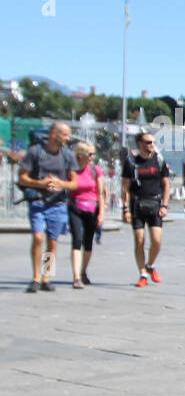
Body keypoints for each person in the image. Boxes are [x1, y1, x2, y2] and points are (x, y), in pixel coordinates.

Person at [17, 122, 76, 292]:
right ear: (53, 133)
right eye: (65, 134)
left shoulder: (67, 155)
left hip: (57, 204)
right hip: (38, 202)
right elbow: (22, 178)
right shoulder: (36, 152)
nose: (68, 138)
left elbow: (74, 183)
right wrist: (40, 183)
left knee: (52, 242)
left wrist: (60, 183)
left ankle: (46, 277)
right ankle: (36, 277)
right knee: (38, 238)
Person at [121, 130, 172, 288]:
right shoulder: (131, 162)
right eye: (149, 142)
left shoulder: (159, 160)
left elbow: (166, 185)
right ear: (140, 144)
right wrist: (125, 209)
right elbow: (125, 187)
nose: (152, 145)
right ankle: (142, 273)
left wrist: (164, 204)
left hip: (155, 204)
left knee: (156, 241)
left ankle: (150, 265)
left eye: (153, 142)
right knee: (139, 241)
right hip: (137, 205)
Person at [67, 142, 107, 288]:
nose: (92, 157)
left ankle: (83, 271)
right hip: (75, 207)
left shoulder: (96, 170)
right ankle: (76, 276)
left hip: (92, 208)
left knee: (88, 241)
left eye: (93, 154)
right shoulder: (71, 170)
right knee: (77, 239)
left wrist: (101, 213)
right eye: (89, 154)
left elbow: (100, 193)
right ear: (80, 155)